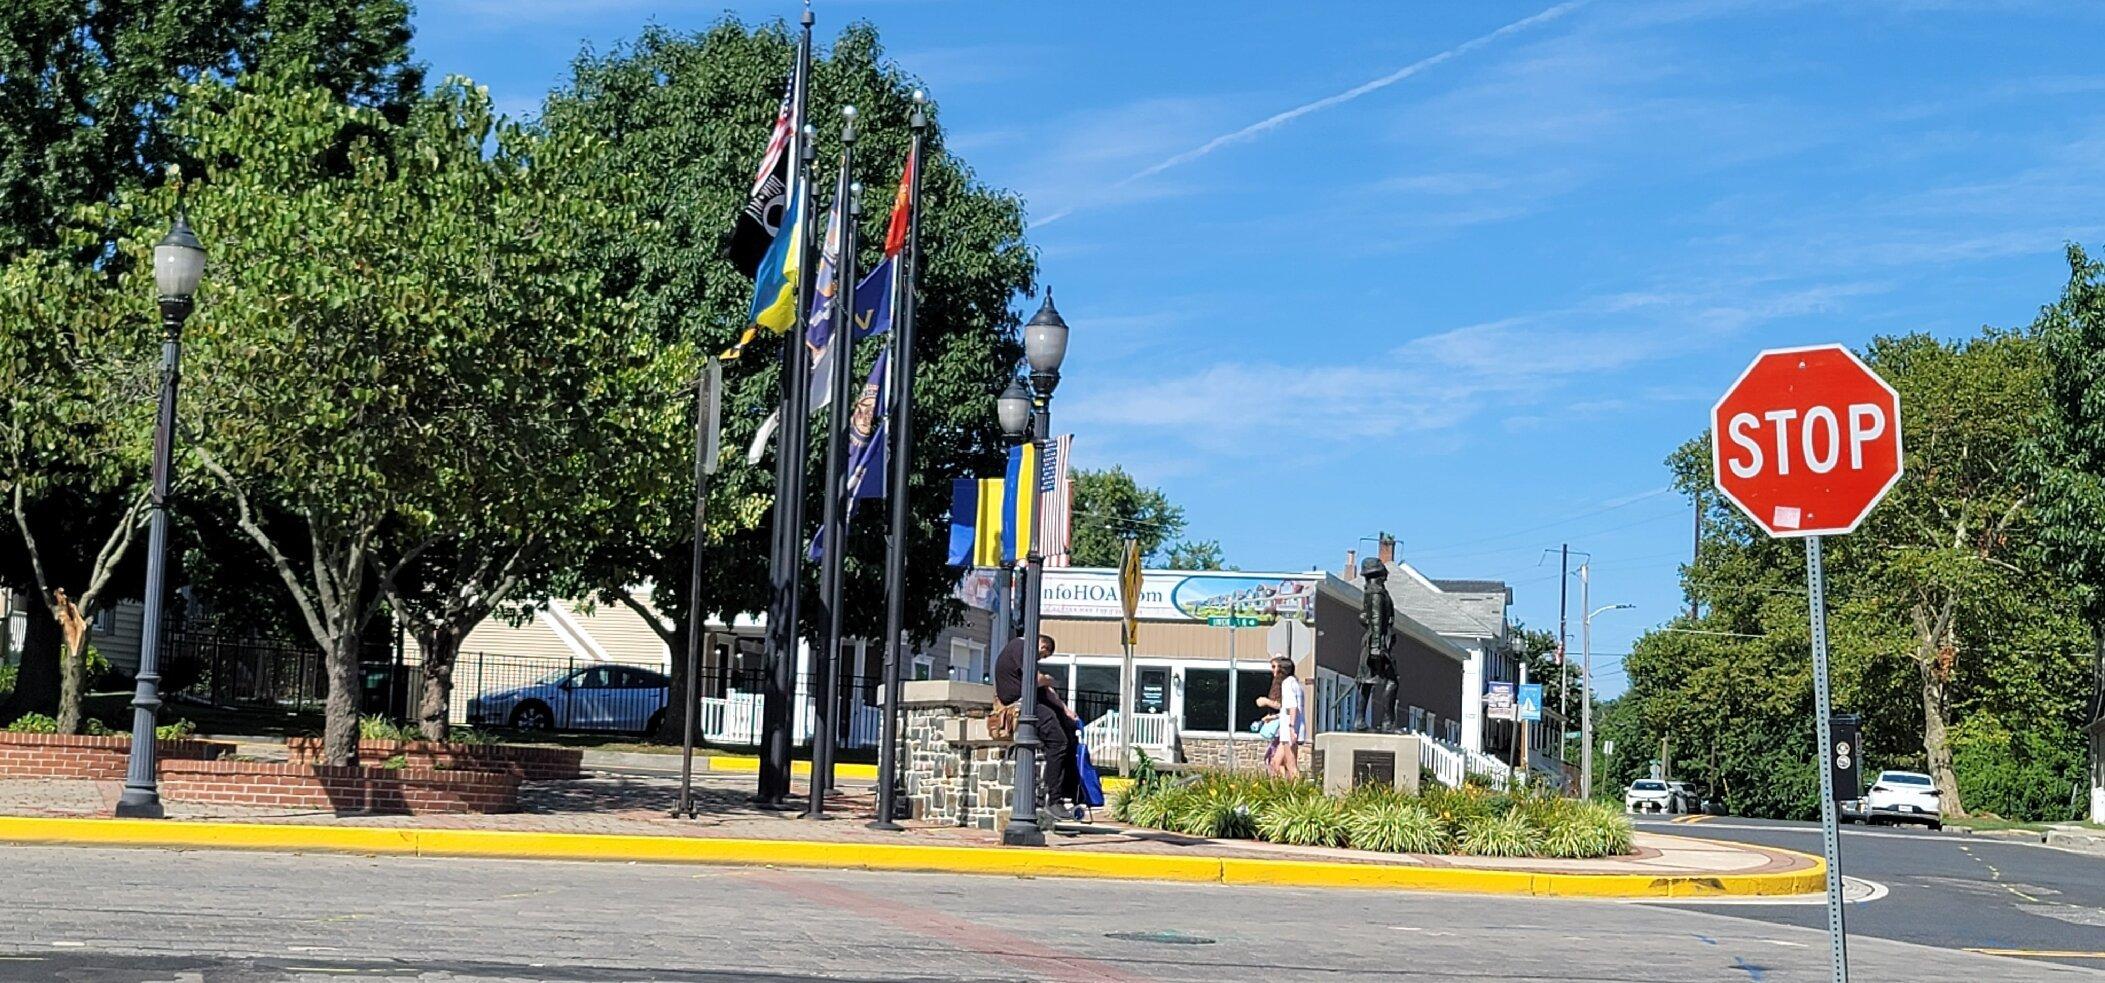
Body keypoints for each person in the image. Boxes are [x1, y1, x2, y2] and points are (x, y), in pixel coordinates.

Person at [995, 634, 1077, 814]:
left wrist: (1066, 710)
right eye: (1044, 656)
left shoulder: (1025, 651)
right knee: (1058, 742)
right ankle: (1053, 799)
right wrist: (1047, 679)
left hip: (1031, 701)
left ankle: (1070, 791)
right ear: (1043, 647)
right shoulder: (1021, 647)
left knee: (1068, 731)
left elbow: (1046, 691)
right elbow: (1038, 680)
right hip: (1019, 704)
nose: (1041, 658)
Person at [1263, 656, 1304, 780]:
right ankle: (1284, 791)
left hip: (1289, 729)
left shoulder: (1287, 684)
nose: (1273, 671)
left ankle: (1299, 793)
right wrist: (1275, 717)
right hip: (1292, 727)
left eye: (1275, 668)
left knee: (1291, 766)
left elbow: (1293, 707)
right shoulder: (1295, 683)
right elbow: (1288, 709)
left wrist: (1291, 728)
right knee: (1275, 763)